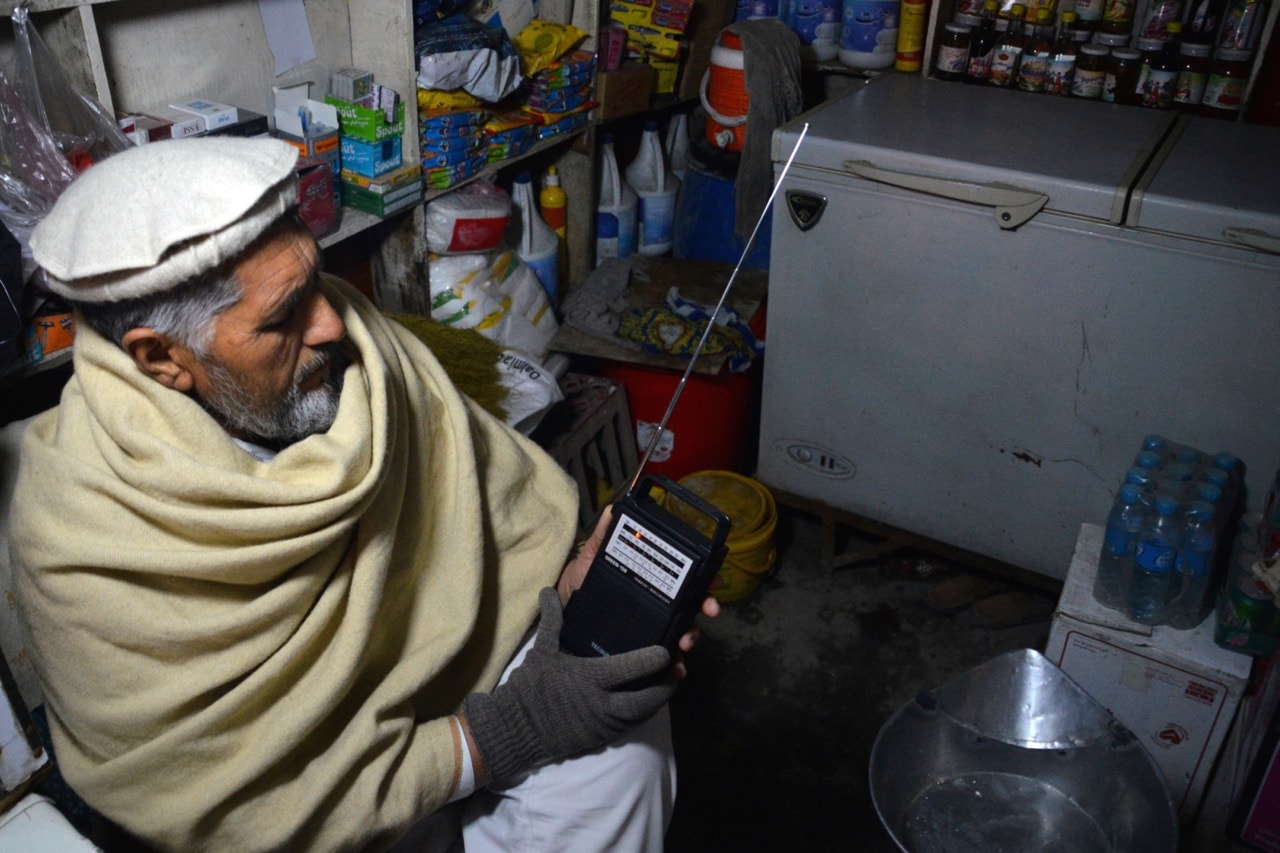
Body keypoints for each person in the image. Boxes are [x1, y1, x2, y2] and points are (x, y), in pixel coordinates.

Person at [8, 137, 718, 851]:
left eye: (316, 280)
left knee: (624, 742)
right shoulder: (78, 530)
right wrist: (502, 733)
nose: (333, 322)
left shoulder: (362, 350)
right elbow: (222, 802)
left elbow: (488, 516)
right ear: (162, 358)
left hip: (447, 689)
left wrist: (558, 600)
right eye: (282, 317)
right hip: (313, 810)